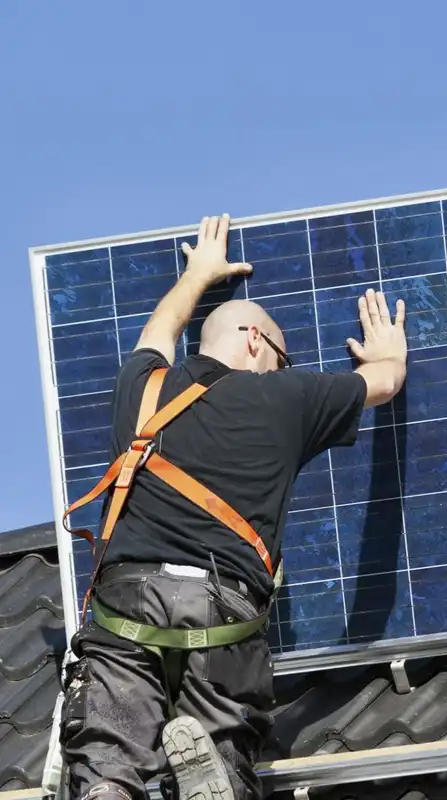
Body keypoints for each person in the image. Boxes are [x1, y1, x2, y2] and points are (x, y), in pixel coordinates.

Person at [59, 213, 408, 799]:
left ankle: (111, 784)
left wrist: (198, 274)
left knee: (108, 759)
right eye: (282, 355)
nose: (283, 366)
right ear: (255, 341)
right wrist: (387, 352)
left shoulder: (140, 386)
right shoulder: (287, 396)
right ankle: (216, 772)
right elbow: (385, 381)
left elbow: (156, 334)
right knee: (223, 754)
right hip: (221, 610)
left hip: (127, 604)